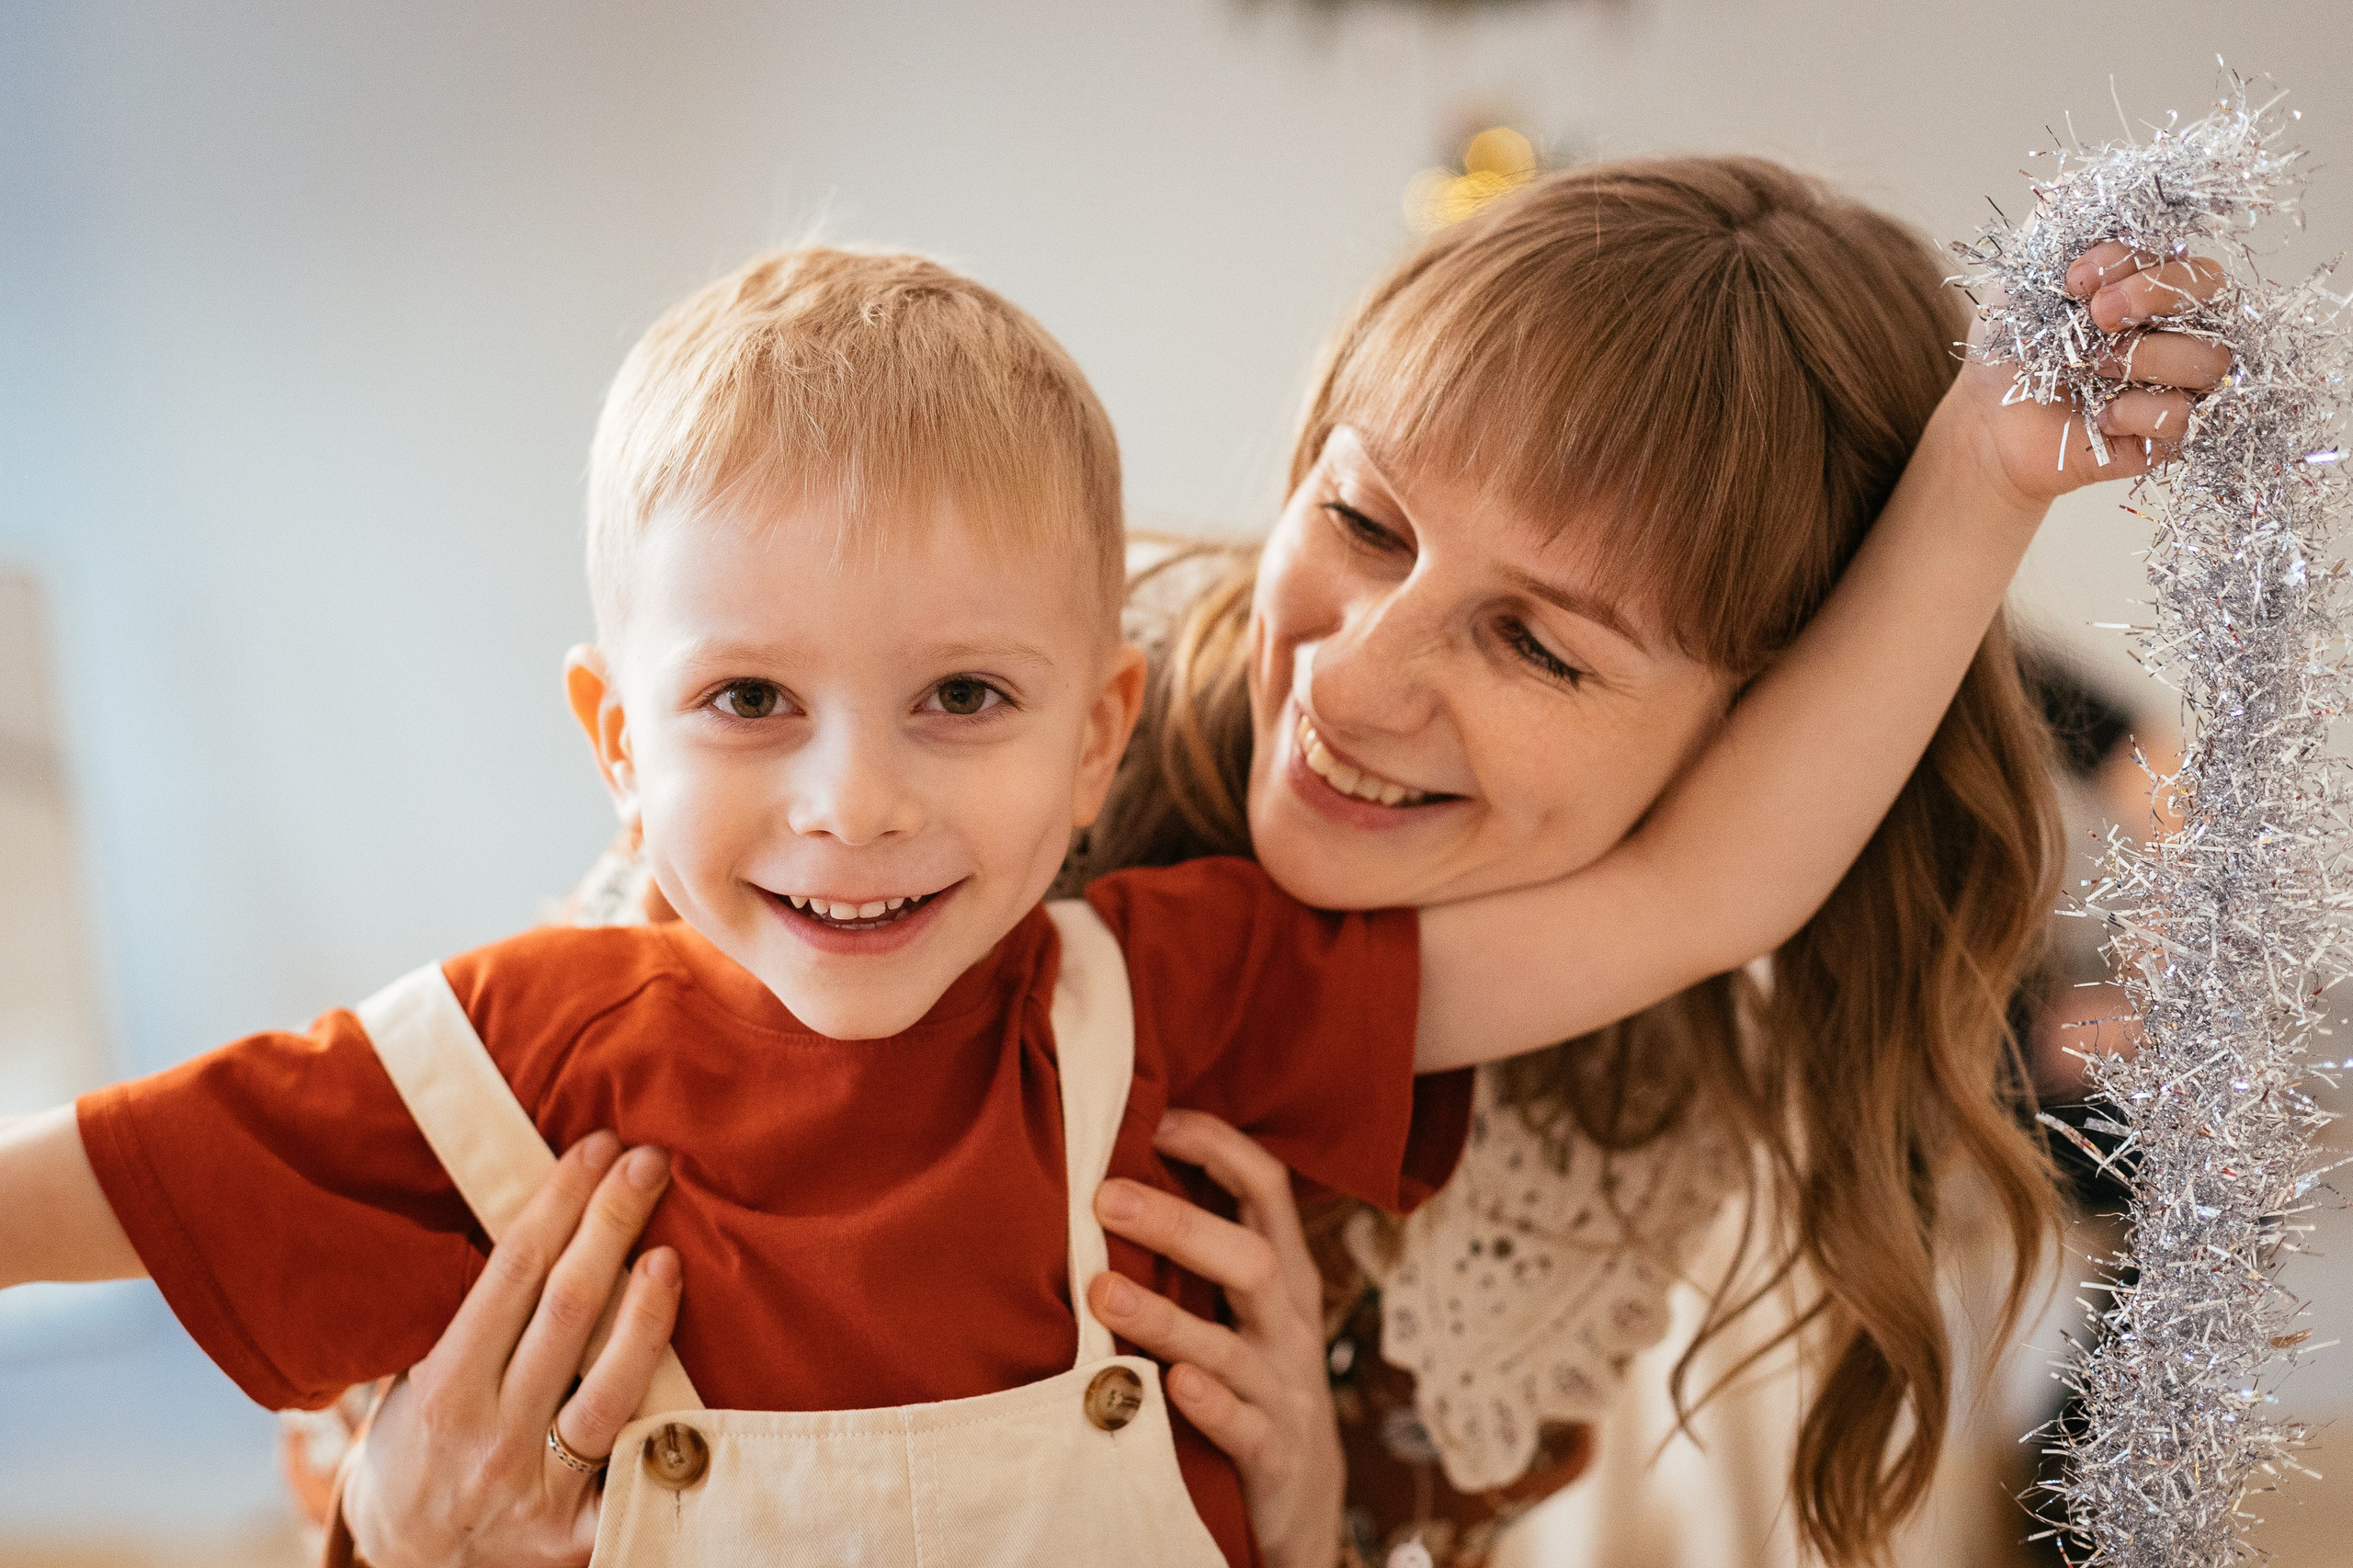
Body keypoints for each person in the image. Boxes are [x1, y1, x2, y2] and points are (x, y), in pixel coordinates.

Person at [1, 158, 2227, 1568]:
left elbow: (1718, 891)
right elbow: (185, 1214)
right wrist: (402, 1527)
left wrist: (1987, 477)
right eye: (1359, 520)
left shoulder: (1205, 986)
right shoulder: (661, 965)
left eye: (1536, 644)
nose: (1349, 681)